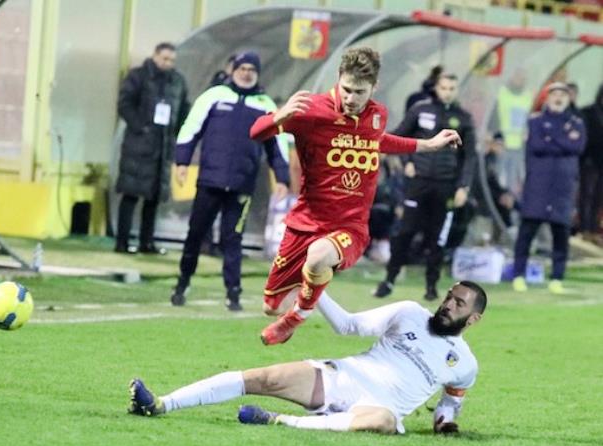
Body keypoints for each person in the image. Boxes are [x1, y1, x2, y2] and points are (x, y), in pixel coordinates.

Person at [249, 47, 461, 345]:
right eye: (346, 90)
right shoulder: (311, 110)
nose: (351, 98)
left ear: (374, 87)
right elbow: (256, 133)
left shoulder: (377, 115)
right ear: (338, 79)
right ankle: (304, 298)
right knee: (272, 307)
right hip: (305, 222)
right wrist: (279, 116)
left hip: (350, 227)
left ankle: (297, 317)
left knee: (319, 257)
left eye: (359, 92)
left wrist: (427, 145)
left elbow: (377, 141)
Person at [129, 281, 486, 435]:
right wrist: (315, 289)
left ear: (472, 319)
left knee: (382, 421)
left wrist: (444, 422)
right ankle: (161, 404)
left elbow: (451, 402)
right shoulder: (409, 312)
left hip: (380, 406)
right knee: (262, 378)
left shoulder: (465, 364)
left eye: (458, 304)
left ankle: (278, 421)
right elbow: (347, 326)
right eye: (448, 297)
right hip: (344, 376)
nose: (447, 304)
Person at [170, 52, 289, 311]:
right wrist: (182, 162)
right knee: (195, 234)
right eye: (242, 68)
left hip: (241, 185)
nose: (246, 73)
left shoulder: (265, 104)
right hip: (209, 180)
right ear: (233, 70)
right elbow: (191, 128)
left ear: (257, 74)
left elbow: (277, 145)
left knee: (232, 238)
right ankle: (182, 283)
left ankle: (233, 293)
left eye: (251, 69)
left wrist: (282, 177)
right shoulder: (214, 96)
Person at [374, 73, 477, 301]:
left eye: (452, 87)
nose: (448, 91)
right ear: (436, 88)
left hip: (446, 186)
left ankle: (431, 287)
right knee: (404, 233)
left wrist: (463, 187)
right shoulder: (420, 110)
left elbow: (469, 157)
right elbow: (397, 138)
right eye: (444, 87)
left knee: (437, 238)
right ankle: (389, 280)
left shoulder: (464, 118)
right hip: (418, 183)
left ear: (456, 89)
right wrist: (406, 162)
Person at [115, 42, 190, 255]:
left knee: (154, 197)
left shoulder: (178, 81)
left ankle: (146, 243)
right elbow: (124, 104)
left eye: (172, 60)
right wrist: (141, 126)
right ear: (155, 56)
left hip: (163, 147)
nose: (168, 63)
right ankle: (121, 242)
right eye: (165, 58)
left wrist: (177, 133)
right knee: (130, 194)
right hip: (138, 146)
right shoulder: (138, 76)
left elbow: (184, 109)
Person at [512, 82, 586, 294]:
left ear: (569, 98)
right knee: (527, 232)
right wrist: (563, 140)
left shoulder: (577, 122)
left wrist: (551, 137)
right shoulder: (535, 121)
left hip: (563, 187)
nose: (559, 98)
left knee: (561, 234)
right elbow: (537, 145)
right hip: (538, 185)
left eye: (563, 94)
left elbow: (578, 147)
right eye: (554, 93)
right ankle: (518, 274)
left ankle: (556, 277)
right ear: (546, 97)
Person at [494, 69, 533, 196]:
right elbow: (493, 118)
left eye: (522, 77)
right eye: (517, 76)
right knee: (499, 180)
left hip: (521, 146)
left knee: (517, 181)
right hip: (502, 144)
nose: (519, 79)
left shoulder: (529, 96)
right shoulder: (501, 94)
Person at [578, 83, 603, 246]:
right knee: (586, 195)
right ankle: (584, 229)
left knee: (598, 197)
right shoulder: (587, 112)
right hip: (590, 160)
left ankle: (593, 229)